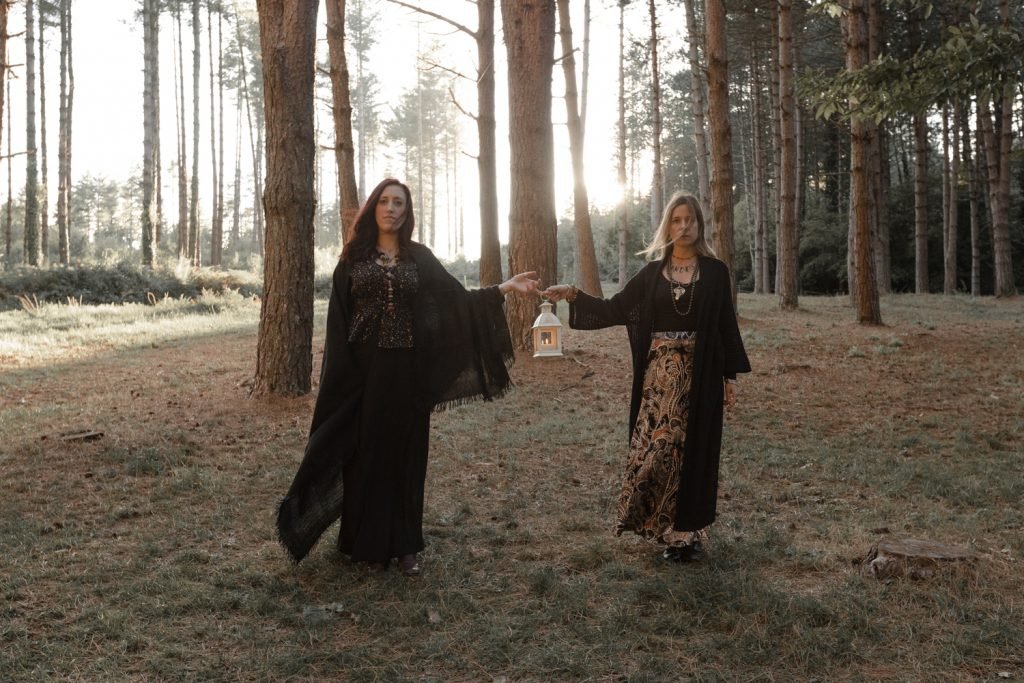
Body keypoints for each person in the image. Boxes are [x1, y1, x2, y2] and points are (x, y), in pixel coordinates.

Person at [277, 178, 539, 576]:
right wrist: (341, 376)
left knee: (406, 457)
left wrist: (504, 288)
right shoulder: (352, 258)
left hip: (408, 374)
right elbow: (338, 323)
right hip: (362, 375)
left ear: (407, 211)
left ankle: (404, 546)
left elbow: (457, 301)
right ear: (373, 208)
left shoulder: (420, 258)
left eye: (399, 202)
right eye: (384, 201)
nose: (391, 208)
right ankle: (367, 546)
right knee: (365, 458)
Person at [542, 191, 750, 563]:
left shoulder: (716, 272)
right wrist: (572, 294)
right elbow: (614, 309)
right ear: (667, 226)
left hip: (700, 377)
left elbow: (725, 325)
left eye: (690, 220)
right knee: (659, 450)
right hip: (659, 382)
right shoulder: (652, 273)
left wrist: (729, 377)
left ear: (699, 225)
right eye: (676, 220)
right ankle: (659, 522)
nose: (684, 226)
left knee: (693, 452)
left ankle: (685, 535)